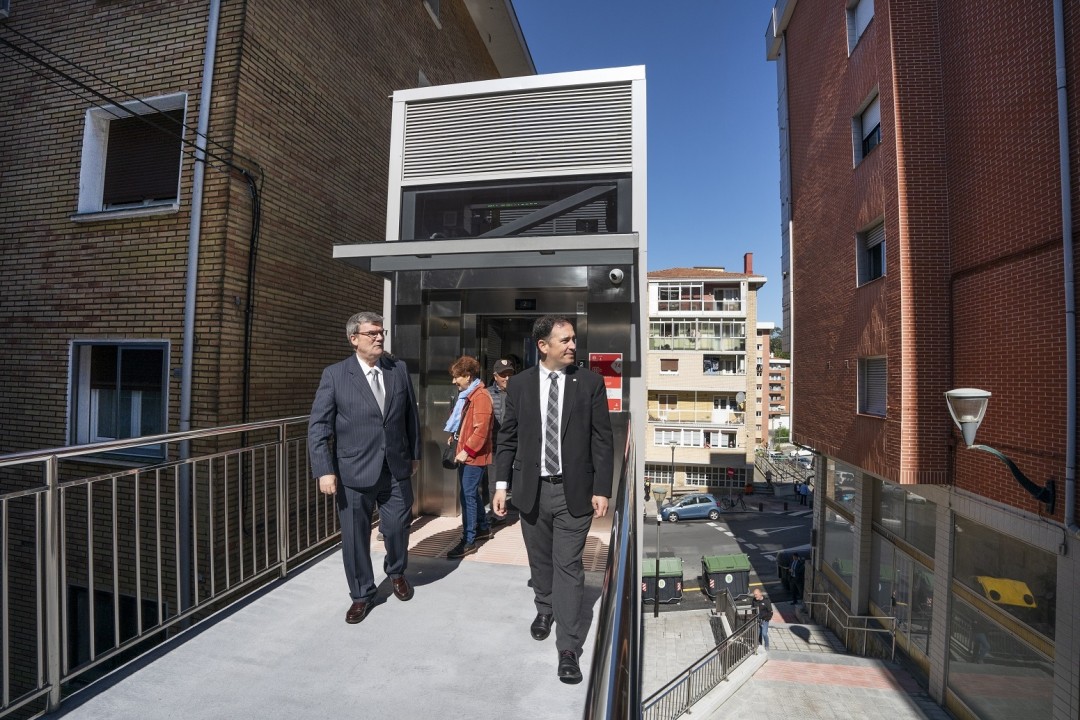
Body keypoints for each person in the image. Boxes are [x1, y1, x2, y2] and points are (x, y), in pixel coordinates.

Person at [493, 315, 614, 684]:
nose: (573, 345)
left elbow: (602, 439)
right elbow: (508, 437)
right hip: (530, 490)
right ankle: (544, 607)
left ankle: (568, 647)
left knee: (569, 566)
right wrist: (501, 485)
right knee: (540, 560)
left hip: (573, 492)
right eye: (565, 340)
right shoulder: (520, 385)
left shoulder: (589, 383)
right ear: (543, 346)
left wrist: (602, 488)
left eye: (574, 338)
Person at [308, 311, 420, 625]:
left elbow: (410, 416)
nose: (379, 337)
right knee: (355, 537)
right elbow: (319, 426)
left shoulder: (398, 369)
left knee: (397, 526)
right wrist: (324, 469)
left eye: (381, 332)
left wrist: (414, 454)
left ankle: (396, 571)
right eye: (372, 333)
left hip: (395, 467)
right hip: (353, 471)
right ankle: (362, 594)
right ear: (354, 339)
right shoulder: (335, 375)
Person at [445, 356, 494, 558]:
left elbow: (481, 430)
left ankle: (468, 540)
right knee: (470, 493)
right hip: (466, 453)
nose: (454, 381)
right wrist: (455, 435)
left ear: (468, 376)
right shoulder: (470, 394)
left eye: (457, 377)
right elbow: (466, 422)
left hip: (473, 456)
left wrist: (467, 450)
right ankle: (482, 527)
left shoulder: (480, 396)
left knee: (467, 496)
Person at [483, 358, 516, 523]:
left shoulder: (520, 393)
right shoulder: (486, 394)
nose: (507, 378)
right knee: (494, 483)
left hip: (518, 446)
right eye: (503, 375)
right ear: (495, 376)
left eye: (510, 374)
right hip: (495, 447)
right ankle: (497, 515)